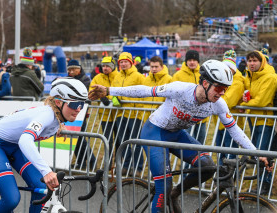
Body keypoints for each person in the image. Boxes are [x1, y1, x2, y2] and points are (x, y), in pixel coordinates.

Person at [89, 59, 272, 213]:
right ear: (206, 83)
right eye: (219, 88)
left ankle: (175, 193)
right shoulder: (180, 89)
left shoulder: (218, 104)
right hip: (155, 133)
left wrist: (256, 152)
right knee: (163, 185)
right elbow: (144, 91)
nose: (222, 93)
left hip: (176, 135)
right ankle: (167, 191)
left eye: (225, 88)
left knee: (207, 167)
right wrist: (109, 90)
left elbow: (234, 129)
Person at [0, 77, 88, 213]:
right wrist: (47, 171)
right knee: (11, 199)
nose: (78, 109)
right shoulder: (47, 115)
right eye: (74, 104)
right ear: (59, 102)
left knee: (42, 189)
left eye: (81, 105)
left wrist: (58, 128)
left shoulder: (57, 117)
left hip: (14, 147)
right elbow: (25, 140)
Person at [241, 50, 277, 195]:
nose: (252, 63)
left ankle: (265, 185)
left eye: (255, 60)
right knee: (258, 153)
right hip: (254, 118)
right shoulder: (250, 77)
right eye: (249, 60)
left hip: (265, 120)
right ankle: (261, 182)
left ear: (262, 62)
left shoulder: (270, 77)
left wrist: (245, 105)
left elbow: (262, 101)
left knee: (263, 153)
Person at [112, 52, 145, 176]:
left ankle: (137, 168)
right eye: (121, 62)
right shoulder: (117, 76)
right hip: (121, 113)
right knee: (123, 141)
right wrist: (113, 98)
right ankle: (125, 166)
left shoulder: (138, 76)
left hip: (135, 114)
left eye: (126, 62)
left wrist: (138, 105)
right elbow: (113, 90)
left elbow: (145, 92)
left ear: (131, 63)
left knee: (135, 142)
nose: (123, 64)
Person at [89, 56, 120, 169]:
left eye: (107, 66)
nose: (105, 68)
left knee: (119, 140)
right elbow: (91, 92)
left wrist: (107, 95)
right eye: (103, 66)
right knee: (107, 140)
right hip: (105, 115)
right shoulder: (97, 78)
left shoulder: (119, 76)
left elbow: (122, 90)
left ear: (113, 67)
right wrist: (100, 97)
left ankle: (118, 163)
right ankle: (108, 163)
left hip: (119, 115)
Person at [215, 51, 245, 164]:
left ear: (234, 68)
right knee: (220, 155)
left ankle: (230, 178)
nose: (226, 70)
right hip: (220, 123)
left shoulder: (237, 82)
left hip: (232, 124)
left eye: (229, 67)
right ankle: (221, 179)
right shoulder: (222, 80)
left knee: (230, 156)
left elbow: (227, 101)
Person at [173, 50, 208, 144]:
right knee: (186, 144)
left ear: (198, 61)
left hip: (201, 116)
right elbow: (174, 93)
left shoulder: (205, 74)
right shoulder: (178, 76)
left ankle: (201, 159)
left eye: (194, 60)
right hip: (185, 117)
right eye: (189, 60)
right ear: (186, 61)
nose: (192, 62)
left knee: (200, 143)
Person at [67, 59, 96, 169]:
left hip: (81, 111)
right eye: (70, 69)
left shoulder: (85, 79)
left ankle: (92, 160)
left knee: (80, 137)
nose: (71, 71)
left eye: (73, 69)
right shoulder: (68, 78)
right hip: (70, 110)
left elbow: (81, 94)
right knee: (75, 137)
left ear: (79, 69)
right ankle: (81, 161)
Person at [142, 56, 172, 122]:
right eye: (152, 67)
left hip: (161, 115)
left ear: (162, 67)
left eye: (156, 67)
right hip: (147, 115)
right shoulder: (146, 80)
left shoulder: (169, 79)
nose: (154, 69)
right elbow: (142, 97)